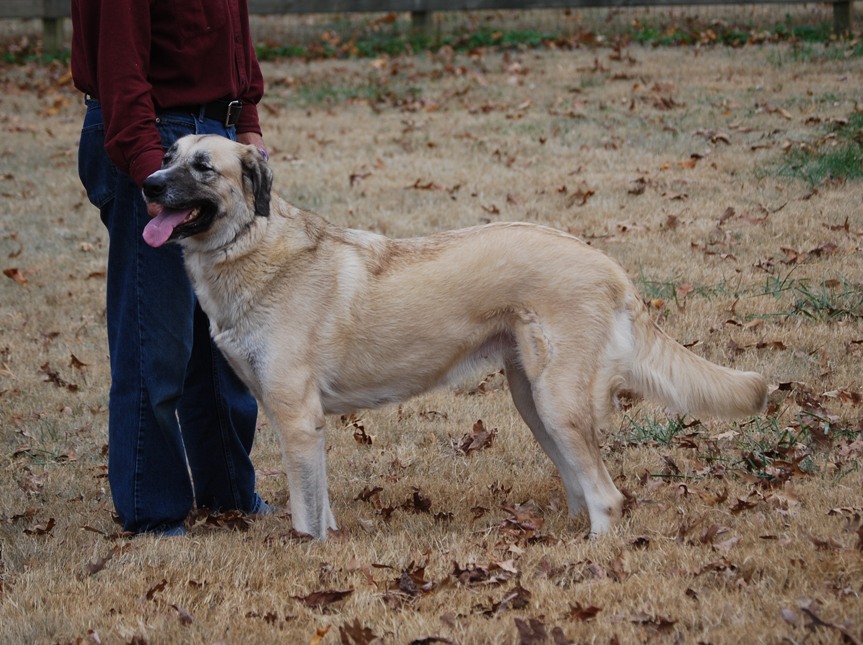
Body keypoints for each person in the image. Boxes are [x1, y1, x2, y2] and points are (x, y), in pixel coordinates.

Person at [71, 1, 270, 536]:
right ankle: (153, 510)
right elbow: (120, 71)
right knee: (154, 338)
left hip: (215, 135)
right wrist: (147, 167)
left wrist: (245, 122)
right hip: (154, 133)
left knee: (222, 332)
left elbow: (234, 35)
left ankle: (228, 489)